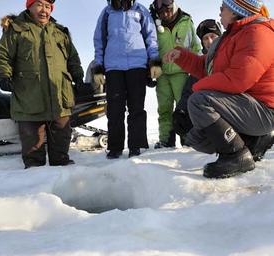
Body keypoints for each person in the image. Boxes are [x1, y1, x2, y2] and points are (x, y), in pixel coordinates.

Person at [163, 0, 274, 178]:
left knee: (200, 101)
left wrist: (197, 90)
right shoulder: (232, 36)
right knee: (197, 138)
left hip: (264, 110)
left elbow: (238, 79)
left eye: (223, 8)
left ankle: (237, 155)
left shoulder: (258, 33)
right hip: (245, 106)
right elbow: (208, 68)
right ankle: (253, 142)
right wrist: (182, 56)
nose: (220, 11)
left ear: (236, 10)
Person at [0, 0, 84, 168]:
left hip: (59, 94)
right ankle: (35, 181)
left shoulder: (60, 32)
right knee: (32, 142)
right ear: (29, 6)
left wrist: (78, 76)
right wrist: (4, 75)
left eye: (48, 6)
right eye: (39, 5)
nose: (44, 10)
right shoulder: (16, 29)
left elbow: (73, 58)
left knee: (62, 134)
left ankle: (61, 173)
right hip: (29, 95)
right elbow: (3, 55)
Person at [93, 0, 161, 159]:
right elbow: (99, 40)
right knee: (115, 110)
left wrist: (154, 62)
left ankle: (136, 146)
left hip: (137, 65)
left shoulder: (140, 10)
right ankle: (115, 148)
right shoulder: (107, 13)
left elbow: (151, 37)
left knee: (136, 108)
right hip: (113, 67)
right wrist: (98, 66)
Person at [149, 0, 201, 149]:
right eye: (161, 12)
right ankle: (166, 140)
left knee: (184, 107)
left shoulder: (186, 21)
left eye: (168, 10)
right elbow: (151, 47)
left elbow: (195, 46)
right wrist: (150, 69)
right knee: (164, 108)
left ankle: (188, 140)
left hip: (182, 73)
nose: (165, 14)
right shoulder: (154, 24)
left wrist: (197, 69)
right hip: (162, 74)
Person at [173, 19, 222, 142]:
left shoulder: (229, 55)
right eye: (205, 38)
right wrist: (181, 111)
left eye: (212, 36)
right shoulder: (202, 63)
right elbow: (189, 91)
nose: (209, 42)